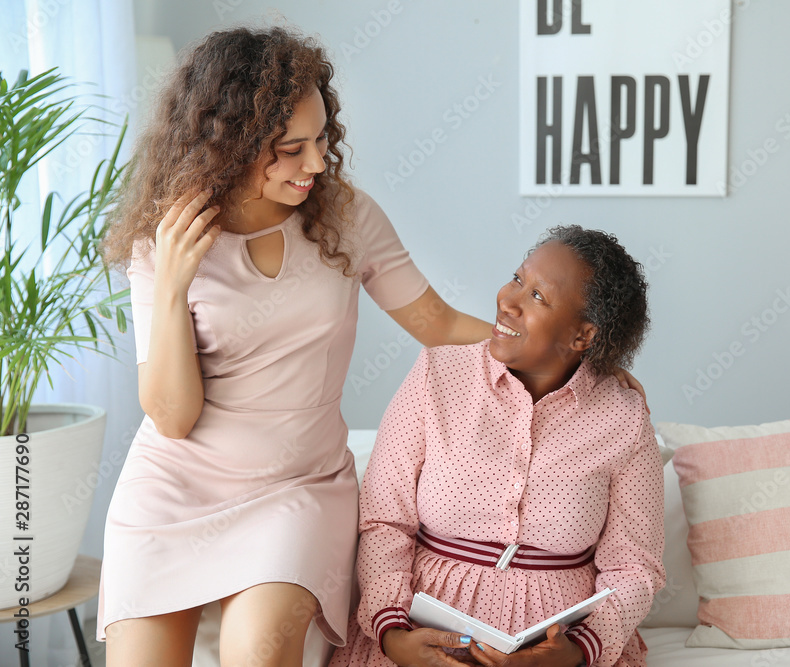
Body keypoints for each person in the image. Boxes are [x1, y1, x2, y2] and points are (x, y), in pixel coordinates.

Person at [96, 25, 644, 667]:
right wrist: (170, 286)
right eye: (291, 148)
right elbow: (172, 416)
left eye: (322, 138)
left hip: (295, 488)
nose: (318, 162)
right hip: (174, 487)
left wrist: (579, 361)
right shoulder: (165, 241)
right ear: (231, 145)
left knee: (257, 652)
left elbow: (436, 324)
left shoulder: (345, 218)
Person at [331, 226, 665, 667]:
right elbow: (383, 521)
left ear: (582, 336)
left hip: (560, 647)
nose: (508, 300)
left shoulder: (623, 416)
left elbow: (635, 566)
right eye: (517, 279)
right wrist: (392, 632)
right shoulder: (437, 374)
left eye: (538, 297)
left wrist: (578, 651)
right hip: (420, 632)